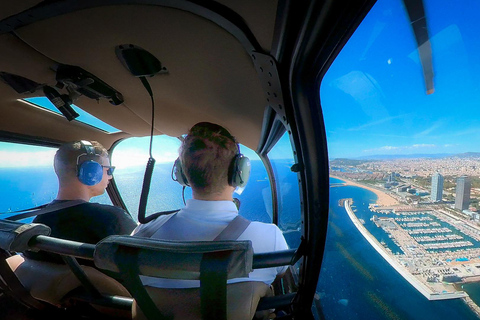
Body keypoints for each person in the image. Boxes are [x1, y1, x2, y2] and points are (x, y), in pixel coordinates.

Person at [132, 122, 289, 318]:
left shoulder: (143, 234)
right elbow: (283, 276)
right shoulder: (270, 237)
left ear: (182, 173)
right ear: (239, 172)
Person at [24, 140, 137, 264]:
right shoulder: (112, 218)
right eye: (108, 170)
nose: (110, 176)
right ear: (91, 172)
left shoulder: (40, 221)